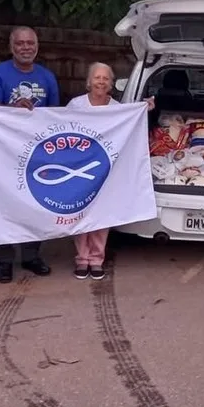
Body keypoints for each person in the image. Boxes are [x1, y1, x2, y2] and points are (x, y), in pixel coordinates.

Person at [0, 26, 59, 283]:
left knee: (36, 204)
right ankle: (4, 259)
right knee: (3, 206)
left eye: (30, 43)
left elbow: (55, 117)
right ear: (11, 47)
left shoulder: (47, 77)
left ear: (37, 46)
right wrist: (12, 109)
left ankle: (31, 255)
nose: (26, 47)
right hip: (2, 154)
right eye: (20, 43)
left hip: (36, 154)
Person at [67, 63, 153, 280]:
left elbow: (130, 125)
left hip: (106, 169)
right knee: (80, 213)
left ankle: (97, 259)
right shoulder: (75, 105)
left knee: (102, 215)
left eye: (106, 78)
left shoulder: (117, 107)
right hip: (78, 168)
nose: (101, 82)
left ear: (111, 84)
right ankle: (82, 258)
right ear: (89, 81)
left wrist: (143, 109)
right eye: (97, 77)